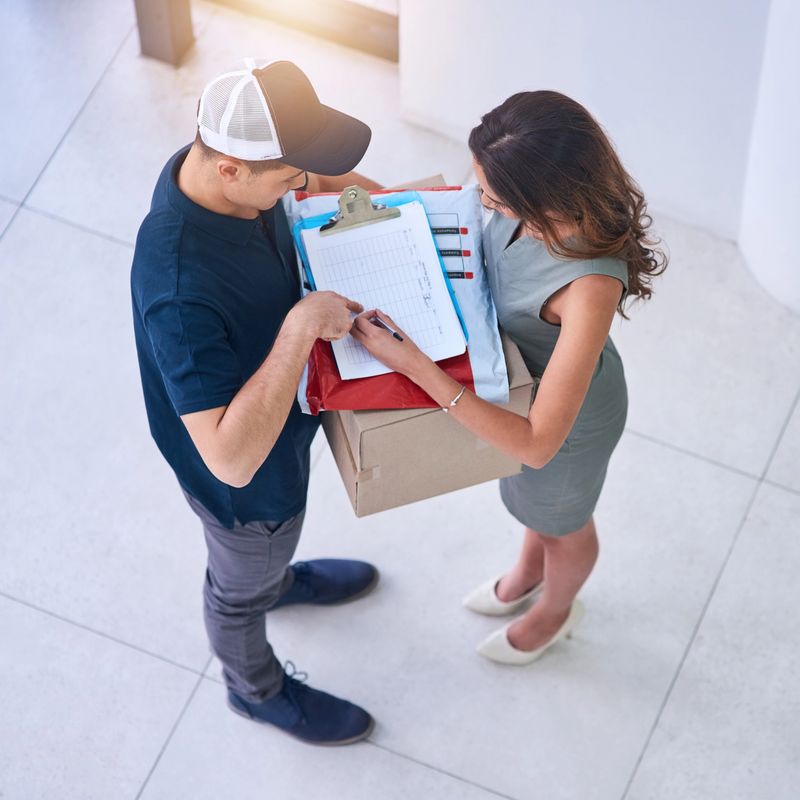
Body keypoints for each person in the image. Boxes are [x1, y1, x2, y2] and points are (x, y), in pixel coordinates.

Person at [352, 90, 667, 666]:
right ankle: (527, 572)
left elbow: (540, 444)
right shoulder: (521, 201)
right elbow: (447, 216)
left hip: (563, 424)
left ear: (546, 201)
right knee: (531, 507)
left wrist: (417, 367)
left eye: (495, 201)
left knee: (563, 524)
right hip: (518, 384)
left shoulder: (589, 284)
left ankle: (557, 610)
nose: (483, 203)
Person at [131, 59, 384, 744]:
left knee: (268, 566)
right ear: (232, 172)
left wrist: (403, 217)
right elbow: (231, 460)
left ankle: (280, 581)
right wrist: (301, 326)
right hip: (247, 491)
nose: (306, 186)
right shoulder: (178, 284)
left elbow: (328, 180)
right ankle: (256, 691)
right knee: (237, 591)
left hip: (283, 429)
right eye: (291, 178)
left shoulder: (211, 172)